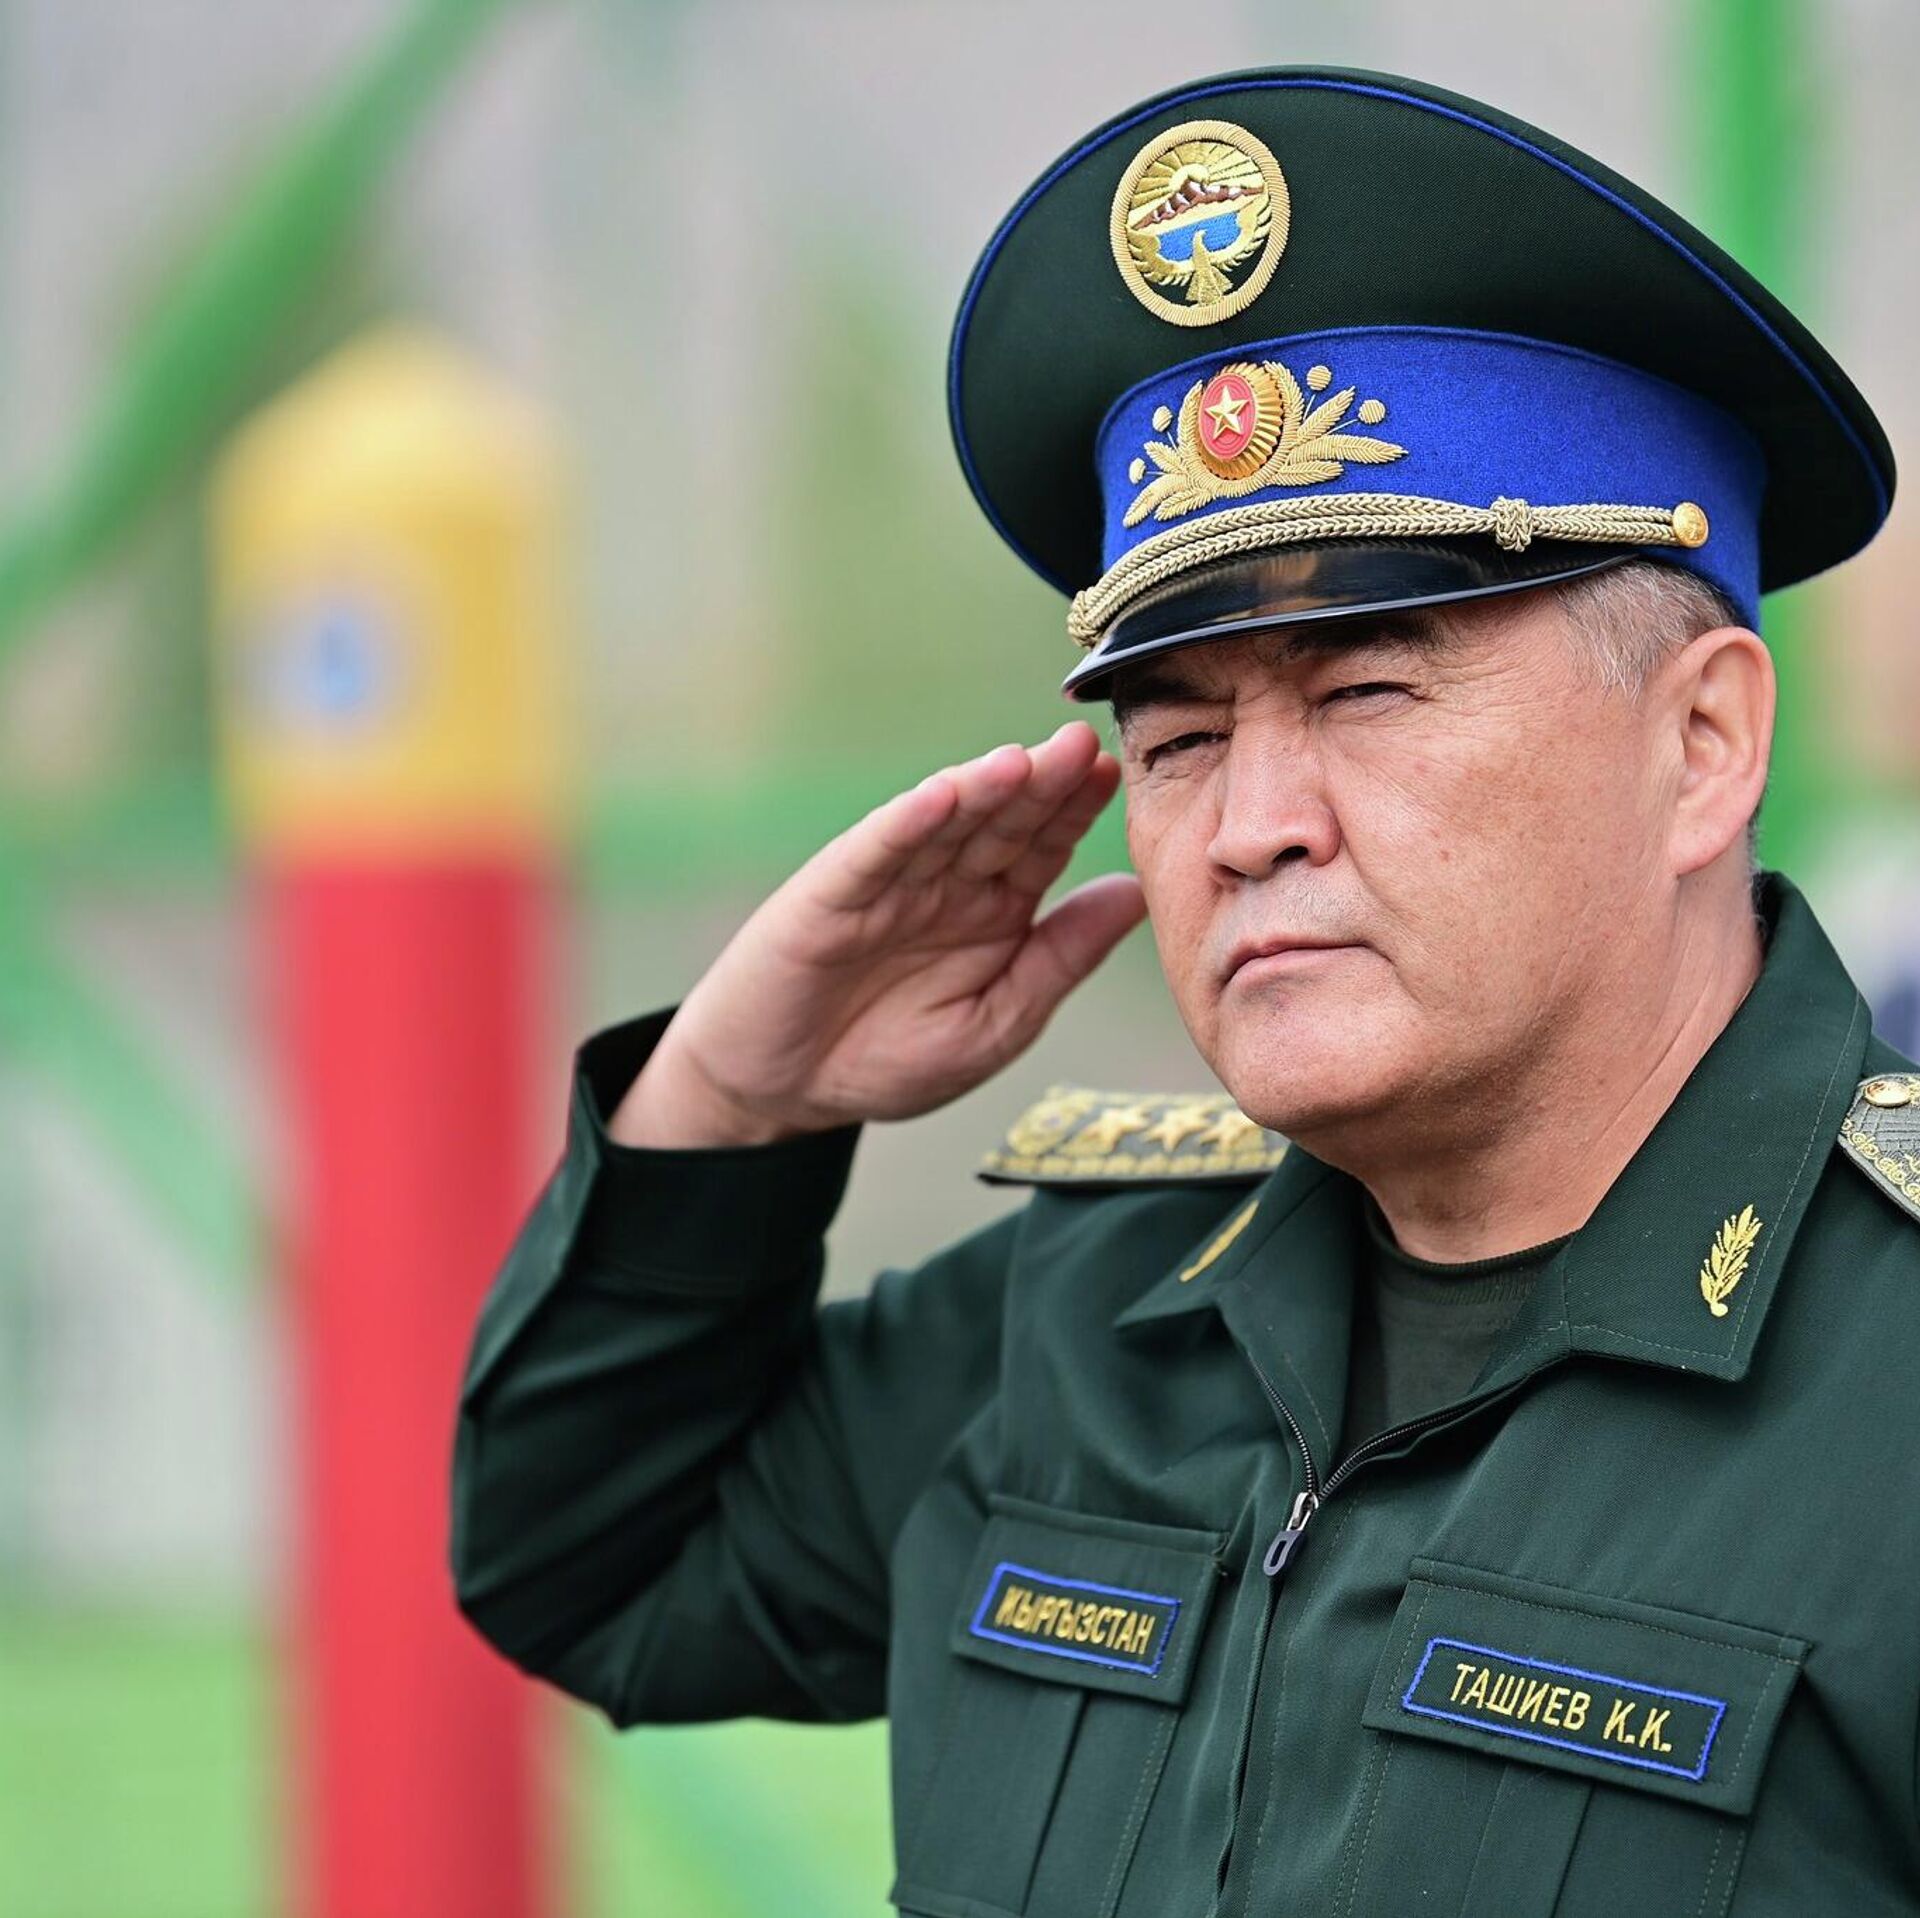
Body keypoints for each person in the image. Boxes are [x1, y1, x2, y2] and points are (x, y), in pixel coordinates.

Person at [450, 66, 1920, 1914]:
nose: (1248, 826)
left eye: (1367, 691)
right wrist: (731, 1109)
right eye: (1177, 738)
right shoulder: (1101, 1309)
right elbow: (594, 1558)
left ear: (1701, 744)